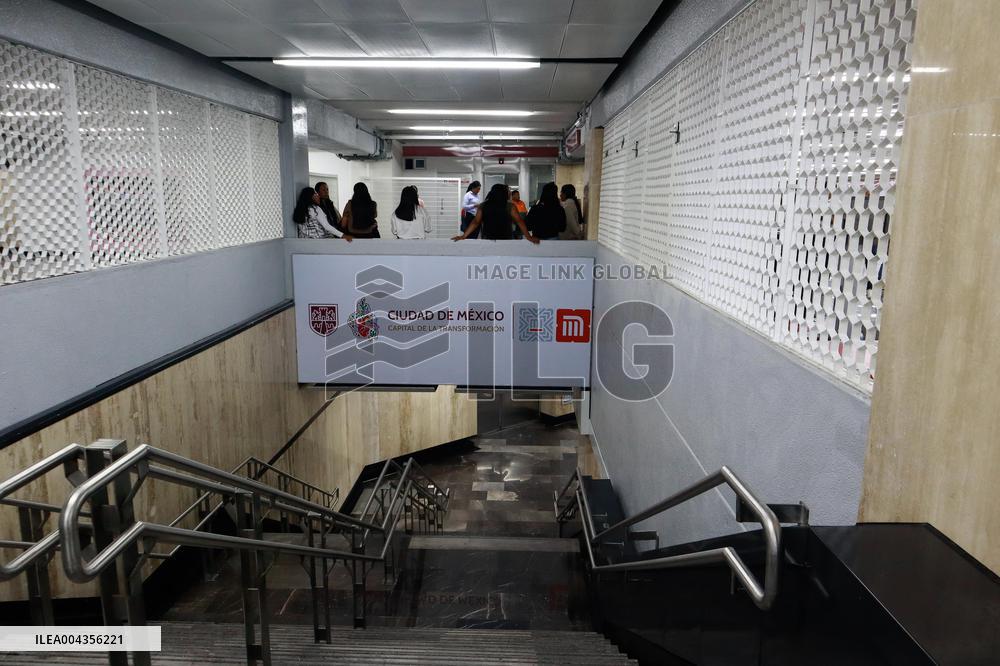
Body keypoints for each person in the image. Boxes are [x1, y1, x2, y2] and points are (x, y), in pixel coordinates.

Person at [452, 183, 539, 243]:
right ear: (502, 193)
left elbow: (475, 222)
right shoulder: (510, 206)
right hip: (506, 239)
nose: (509, 193)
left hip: (488, 239)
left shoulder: (483, 206)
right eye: (507, 191)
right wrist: (528, 237)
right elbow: (519, 221)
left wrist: (463, 236)